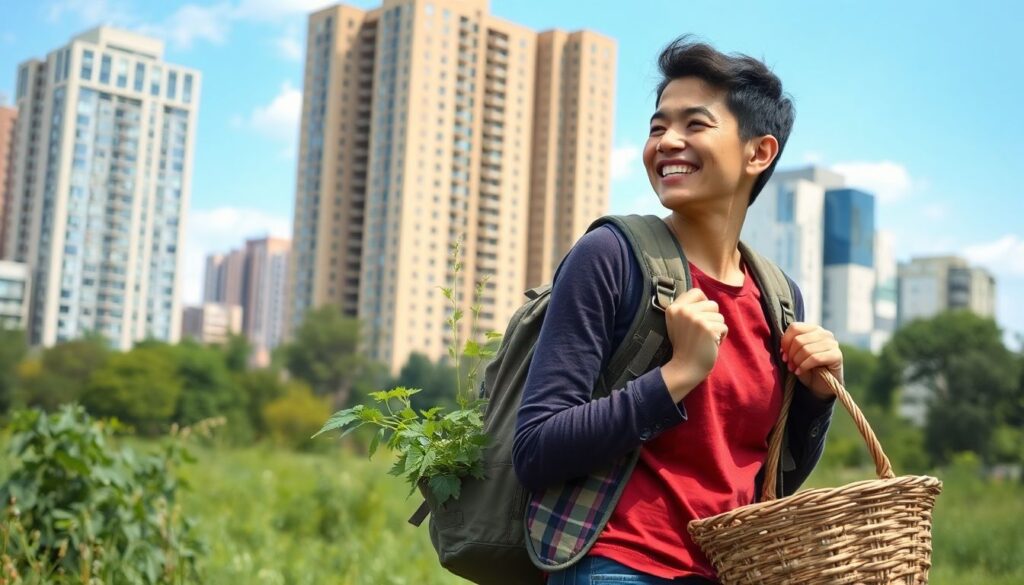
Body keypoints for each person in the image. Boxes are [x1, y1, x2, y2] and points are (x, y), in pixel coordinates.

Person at [512, 36, 844, 584]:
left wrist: (815, 400)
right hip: (617, 565)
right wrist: (678, 376)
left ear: (759, 153)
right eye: (657, 126)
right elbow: (537, 447)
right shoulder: (611, 256)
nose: (667, 141)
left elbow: (771, 481)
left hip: (732, 572)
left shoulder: (778, 296)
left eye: (694, 124)